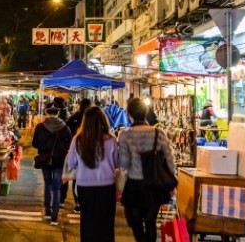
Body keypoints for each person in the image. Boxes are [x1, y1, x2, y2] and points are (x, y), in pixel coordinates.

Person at [118, 97, 176, 242]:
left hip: (135, 184)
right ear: (146, 113)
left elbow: (124, 164)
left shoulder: (125, 135)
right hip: (155, 185)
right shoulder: (159, 133)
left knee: (136, 223)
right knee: (151, 223)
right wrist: (172, 183)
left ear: (129, 114)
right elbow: (169, 161)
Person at [66, 106, 119, 241]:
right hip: (107, 186)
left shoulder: (77, 140)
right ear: (103, 121)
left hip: (85, 186)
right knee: (106, 223)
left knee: (88, 222)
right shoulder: (111, 140)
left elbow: (71, 164)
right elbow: (117, 163)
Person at [32, 105, 72, 225]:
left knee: (48, 184)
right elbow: (69, 143)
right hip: (60, 160)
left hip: (45, 159)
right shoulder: (65, 127)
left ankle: (48, 212)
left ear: (46, 112)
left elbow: (34, 143)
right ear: (58, 113)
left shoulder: (40, 127)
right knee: (56, 188)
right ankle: (55, 217)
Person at [65, 98, 93, 212]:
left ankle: (78, 203)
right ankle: (83, 202)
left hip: (77, 148)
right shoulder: (92, 118)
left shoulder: (75, 117)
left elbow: (67, 127)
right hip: (90, 152)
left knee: (77, 177)